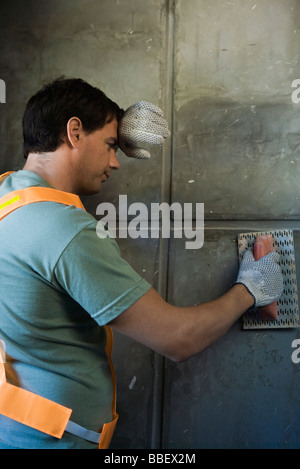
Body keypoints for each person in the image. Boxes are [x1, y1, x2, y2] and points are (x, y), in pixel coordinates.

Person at [0, 77, 283, 449]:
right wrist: (250, 290)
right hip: (52, 441)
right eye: (110, 145)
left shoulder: (9, 197)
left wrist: (112, 120)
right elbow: (178, 338)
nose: (116, 163)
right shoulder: (64, 230)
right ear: (74, 132)